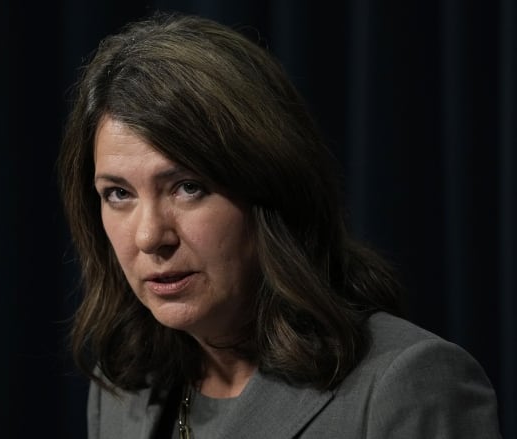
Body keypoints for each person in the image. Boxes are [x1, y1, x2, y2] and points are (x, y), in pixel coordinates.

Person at [57, 12, 501, 439]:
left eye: (188, 187)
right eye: (118, 194)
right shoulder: (122, 387)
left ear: (268, 187)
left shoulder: (405, 385)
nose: (150, 236)